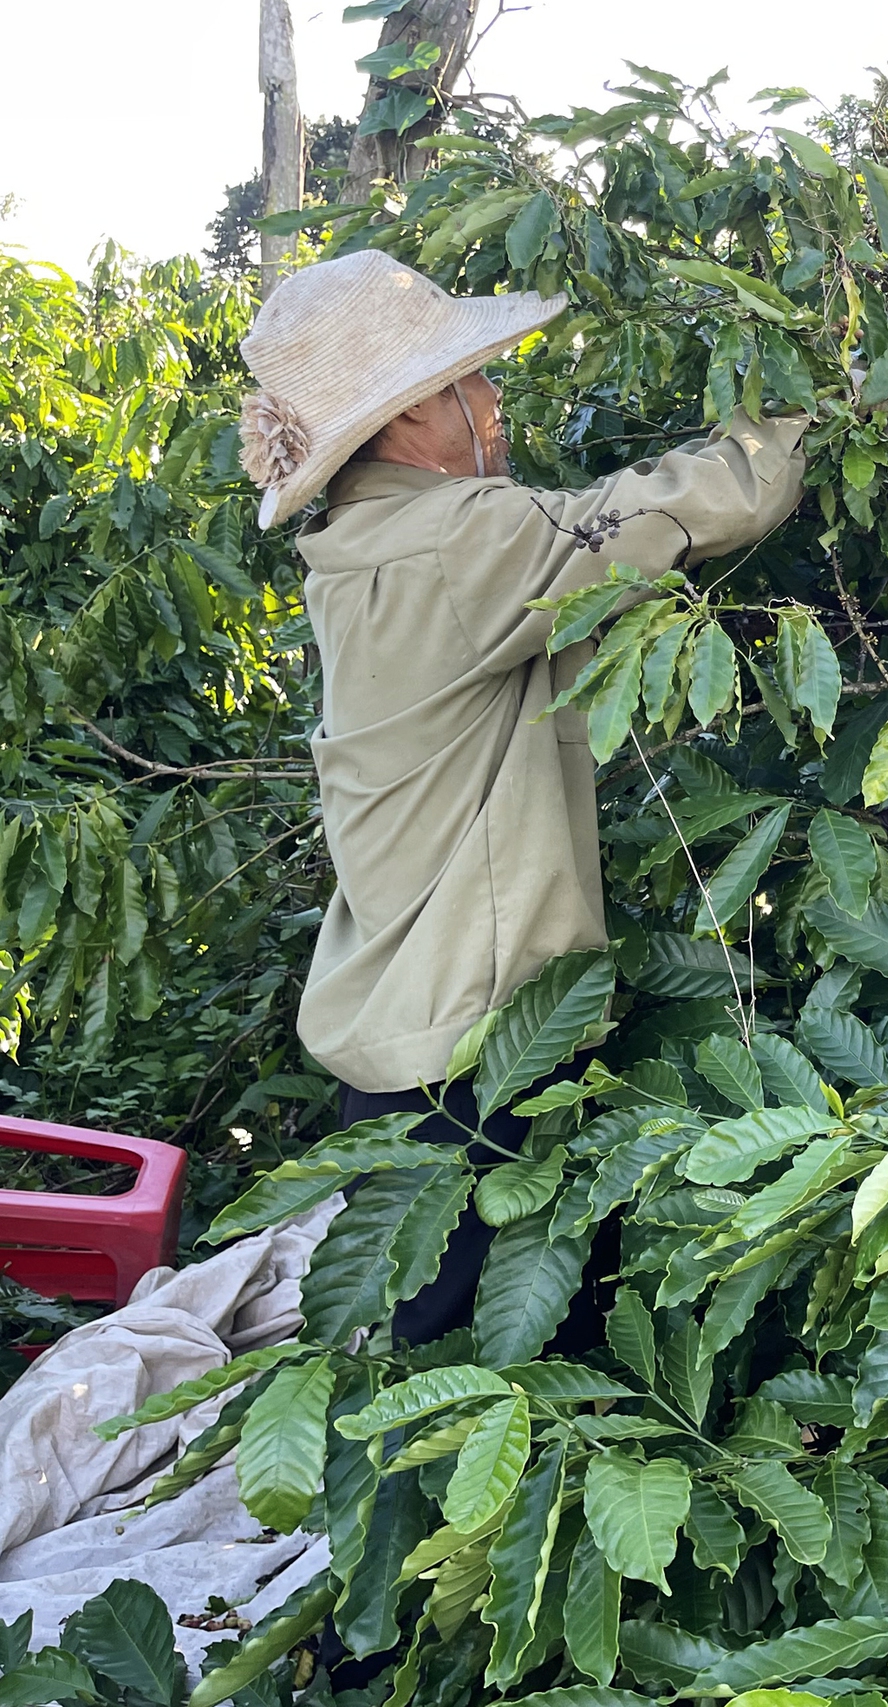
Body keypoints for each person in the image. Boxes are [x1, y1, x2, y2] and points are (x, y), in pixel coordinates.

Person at [237, 250, 810, 1343]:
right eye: (475, 381)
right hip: (480, 1056)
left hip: (403, 1045)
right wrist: (801, 407)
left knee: (444, 1364)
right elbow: (675, 512)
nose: (497, 402)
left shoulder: (356, 541)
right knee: (516, 1381)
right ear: (410, 416)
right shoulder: (460, 541)